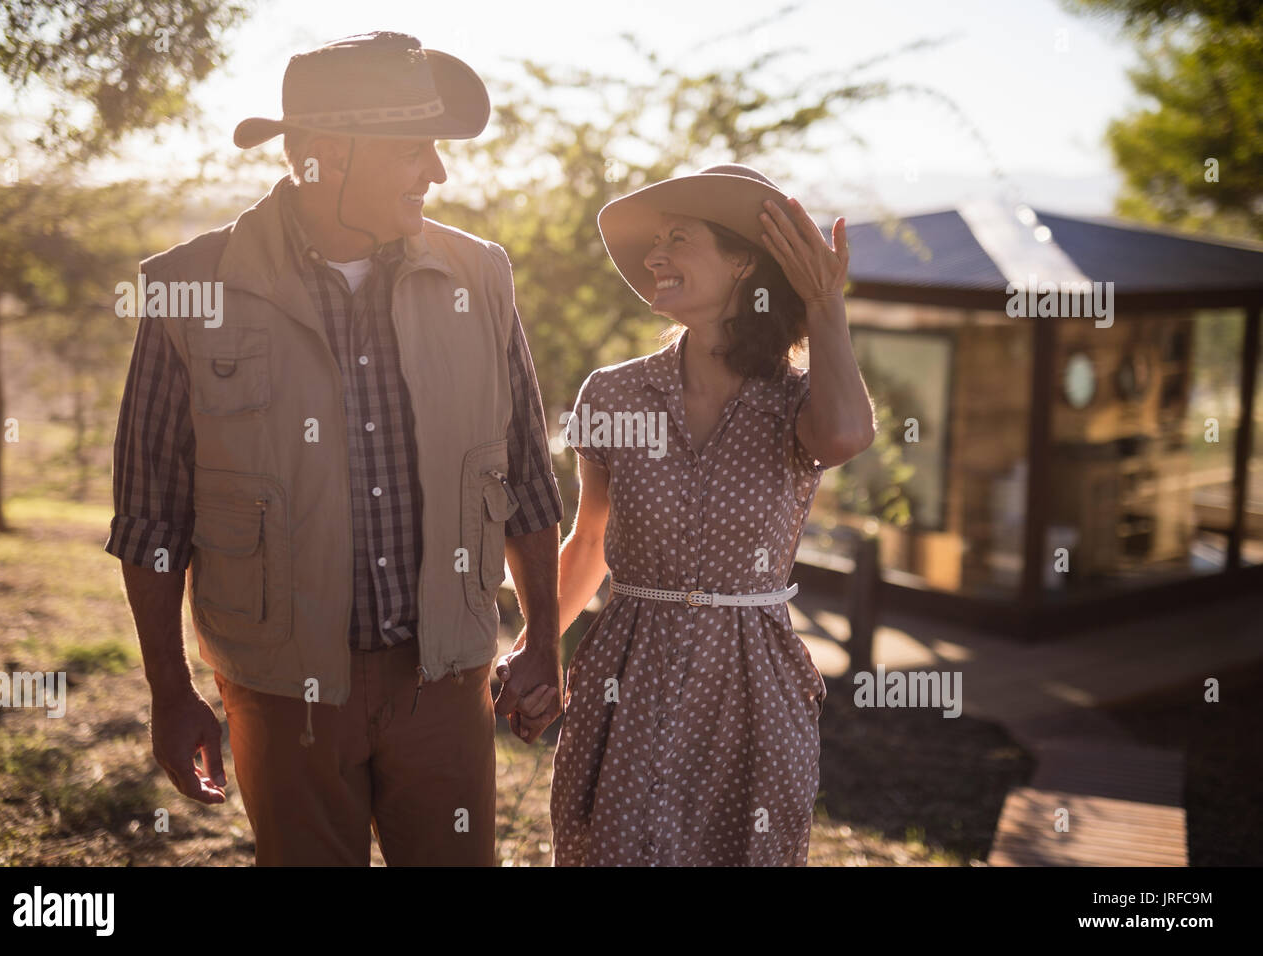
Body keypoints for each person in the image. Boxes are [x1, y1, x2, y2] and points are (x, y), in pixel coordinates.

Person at [105, 31, 564, 866]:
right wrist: (170, 693)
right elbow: (151, 518)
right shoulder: (187, 287)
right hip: (281, 692)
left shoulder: (482, 277)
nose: (439, 172)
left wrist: (543, 639)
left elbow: (527, 478)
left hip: (446, 683)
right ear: (323, 155)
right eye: (415, 148)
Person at [546, 163, 875, 865]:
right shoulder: (613, 396)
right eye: (653, 241)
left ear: (741, 263)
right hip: (627, 671)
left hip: (753, 680)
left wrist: (826, 305)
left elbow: (846, 437)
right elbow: (591, 538)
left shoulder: (796, 402)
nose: (654, 256)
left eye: (678, 239)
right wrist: (537, 644)